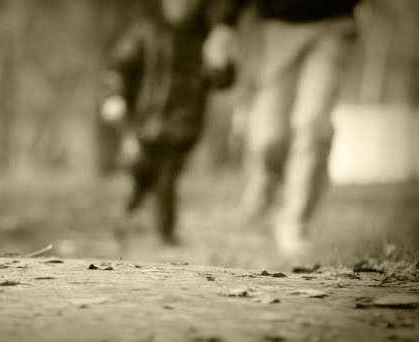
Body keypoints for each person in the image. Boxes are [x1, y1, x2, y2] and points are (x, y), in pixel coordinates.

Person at [205, 0, 362, 258]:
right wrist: (224, 25)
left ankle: (295, 222)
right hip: (277, 27)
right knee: (269, 136)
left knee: (311, 123)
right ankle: (265, 187)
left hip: (334, 24)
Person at [99, 0, 234, 245]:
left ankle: (165, 231)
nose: (180, 6)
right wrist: (114, 96)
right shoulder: (145, 32)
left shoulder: (205, 37)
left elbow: (223, 79)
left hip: (184, 123)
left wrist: (221, 68)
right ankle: (131, 208)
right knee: (141, 168)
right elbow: (118, 67)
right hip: (146, 120)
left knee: (168, 176)